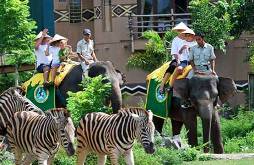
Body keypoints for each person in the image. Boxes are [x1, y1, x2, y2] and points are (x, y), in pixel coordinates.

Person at [159, 22, 189, 94]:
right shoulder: (175, 40)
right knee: (173, 66)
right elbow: (175, 52)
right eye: (179, 30)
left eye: (182, 30)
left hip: (189, 59)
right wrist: (178, 61)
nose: (181, 32)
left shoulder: (189, 38)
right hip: (178, 59)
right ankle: (162, 85)